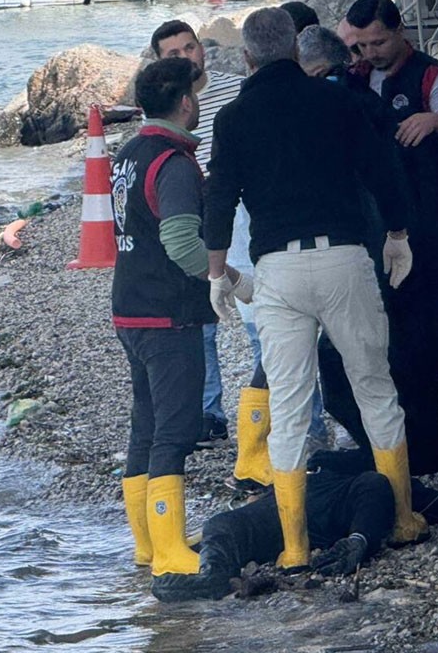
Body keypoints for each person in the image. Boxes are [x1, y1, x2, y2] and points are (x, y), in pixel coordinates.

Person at [205, 8, 424, 570]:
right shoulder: (337, 100)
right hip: (345, 258)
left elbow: (221, 200)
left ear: (248, 58)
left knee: (291, 404)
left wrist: (215, 272)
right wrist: (397, 233)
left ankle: (296, 546)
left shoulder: (231, 119)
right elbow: (382, 170)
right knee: (374, 386)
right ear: (295, 53)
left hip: (277, 268)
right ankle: (401, 516)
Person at [111, 58, 251, 582]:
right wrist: (227, 278)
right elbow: (179, 242)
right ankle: (170, 551)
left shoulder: (128, 152)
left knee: (145, 427)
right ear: (187, 102)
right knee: (174, 431)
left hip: (130, 307)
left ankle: (148, 544)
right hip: (167, 314)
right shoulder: (172, 162)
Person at [343, 0, 438, 470]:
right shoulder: (356, 79)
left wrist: (435, 120)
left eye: (378, 41)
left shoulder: (433, 77)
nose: (371, 52)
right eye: (363, 44)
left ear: (400, 32)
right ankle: (397, 423)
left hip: (429, 220)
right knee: (384, 324)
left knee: (435, 320)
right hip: (374, 224)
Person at [152, 446, 438, 601]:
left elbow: (419, 495)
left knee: (376, 485)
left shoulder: (369, 471)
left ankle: (358, 542)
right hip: (288, 504)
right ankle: (212, 576)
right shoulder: (313, 461)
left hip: (344, 500)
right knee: (223, 523)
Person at [151, 20, 244, 447]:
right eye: (173, 54)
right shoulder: (162, 106)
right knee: (200, 318)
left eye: (190, 47)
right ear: (159, 62)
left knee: (259, 313)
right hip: (191, 214)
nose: (186, 57)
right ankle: (209, 414)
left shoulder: (236, 89)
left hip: (240, 211)